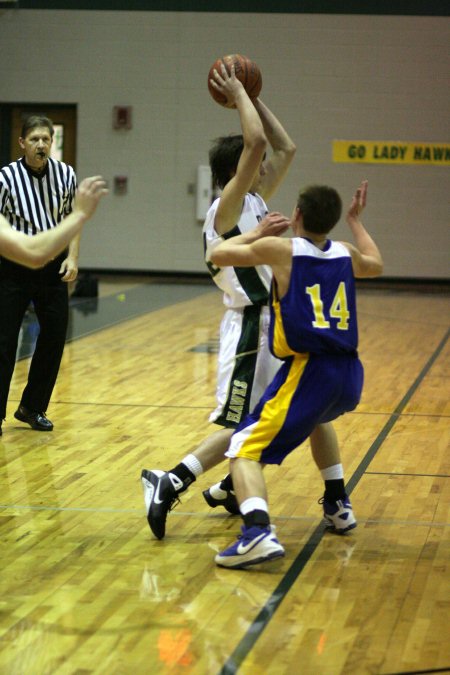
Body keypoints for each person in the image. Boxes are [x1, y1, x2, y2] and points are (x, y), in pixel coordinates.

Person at [141, 62, 296, 539]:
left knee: (275, 416)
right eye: (255, 164)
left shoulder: (255, 199)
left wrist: (251, 93)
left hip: (272, 323)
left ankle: (231, 485)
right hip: (249, 327)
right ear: (238, 173)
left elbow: (285, 147)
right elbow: (255, 143)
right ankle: (170, 480)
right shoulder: (225, 208)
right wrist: (237, 95)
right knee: (241, 423)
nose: (266, 165)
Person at [209, 179, 383, 569]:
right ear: (335, 220)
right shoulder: (345, 252)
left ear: (298, 215)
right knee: (318, 422)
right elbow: (376, 263)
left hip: (310, 369)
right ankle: (338, 504)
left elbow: (218, 254)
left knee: (242, 450)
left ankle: (256, 533)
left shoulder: (283, 249)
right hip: (350, 374)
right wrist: (355, 221)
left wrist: (257, 231)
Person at [0, 114, 79, 436]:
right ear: (22, 143)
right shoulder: (5, 178)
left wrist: (72, 257)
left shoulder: (66, 174)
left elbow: (72, 218)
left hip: (51, 266)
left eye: (46, 139)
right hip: (13, 267)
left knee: (54, 337)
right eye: (34, 139)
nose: (41, 145)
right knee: (4, 342)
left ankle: (32, 407)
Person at [0, 176, 107, 269]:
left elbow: (33, 249)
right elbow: (34, 252)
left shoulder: (64, 174)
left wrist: (72, 257)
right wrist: (79, 214)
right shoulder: (7, 177)